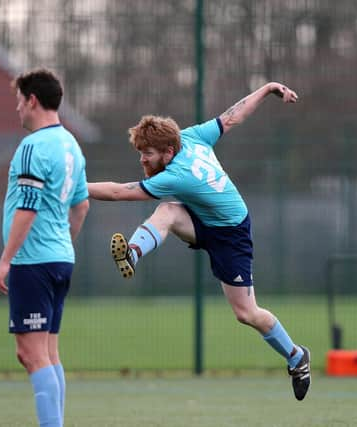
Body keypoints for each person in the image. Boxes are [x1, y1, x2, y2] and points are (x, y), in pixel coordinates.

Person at [88, 82, 311, 400]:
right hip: (203, 218)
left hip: (231, 234)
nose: (142, 160)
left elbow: (120, 192)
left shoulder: (176, 174)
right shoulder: (191, 137)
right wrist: (268, 88)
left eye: (147, 154)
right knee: (167, 210)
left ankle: (296, 357)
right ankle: (133, 253)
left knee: (246, 314)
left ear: (168, 152)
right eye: (140, 153)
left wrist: (74, 187)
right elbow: (232, 117)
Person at [0, 68, 90, 426]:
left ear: (32, 100)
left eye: (19, 100)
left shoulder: (33, 146)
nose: (17, 109)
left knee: (31, 354)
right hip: (60, 259)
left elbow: (27, 207)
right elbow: (81, 206)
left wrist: (5, 262)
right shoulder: (71, 146)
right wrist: (63, 244)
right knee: (47, 352)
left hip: (33, 263)